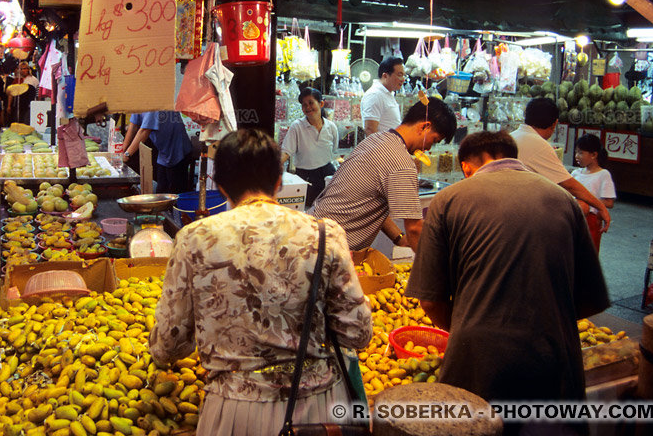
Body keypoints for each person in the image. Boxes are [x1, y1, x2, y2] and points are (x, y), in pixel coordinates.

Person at [149, 129, 372, 436]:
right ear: (279, 181)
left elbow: (167, 345)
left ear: (220, 185)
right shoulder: (324, 234)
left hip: (234, 412)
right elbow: (358, 333)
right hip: (318, 413)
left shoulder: (193, 239)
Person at [406, 131, 609, 414]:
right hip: (553, 360)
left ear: (466, 167)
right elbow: (591, 298)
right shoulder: (564, 200)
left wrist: (471, 325)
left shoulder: (448, 200)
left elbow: (429, 299)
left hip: (478, 361)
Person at [311, 98, 457, 251]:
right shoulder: (401, 162)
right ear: (425, 127)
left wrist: (399, 238)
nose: (428, 148)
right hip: (326, 249)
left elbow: (369, 201)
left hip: (313, 231)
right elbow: (414, 228)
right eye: (433, 140)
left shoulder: (377, 139)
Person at [510, 97, 612, 230]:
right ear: (554, 123)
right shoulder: (538, 144)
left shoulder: (512, 136)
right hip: (518, 211)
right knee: (582, 206)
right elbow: (570, 186)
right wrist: (600, 206)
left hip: (506, 203)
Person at [280, 87, 340, 206]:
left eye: (311, 103)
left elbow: (334, 150)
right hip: (305, 177)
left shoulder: (331, 127)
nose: (307, 107)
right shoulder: (297, 126)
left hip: (327, 174)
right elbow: (286, 152)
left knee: (327, 208)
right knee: (307, 210)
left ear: (321, 103)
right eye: (304, 104)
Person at [123, 111, 193, 193]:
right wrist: (123, 150)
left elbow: (144, 131)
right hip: (163, 153)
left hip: (177, 152)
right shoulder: (140, 103)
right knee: (161, 193)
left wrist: (127, 155)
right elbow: (133, 125)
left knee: (175, 195)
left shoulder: (153, 104)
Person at [571, 133, 616, 253]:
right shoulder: (575, 173)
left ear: (594, 155)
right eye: (576, 152)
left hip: (591, 220)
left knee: (588, 254)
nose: (577, 156)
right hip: (574, 217)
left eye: (581, 153)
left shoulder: (603, 174)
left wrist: (586, 202)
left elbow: (609, 202)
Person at [361, 57, 406, 136]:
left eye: (404, 75)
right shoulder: (375, 95)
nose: (403, 79)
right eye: (400, 75)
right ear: (385, 76)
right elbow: (370, 129)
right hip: (382, 148)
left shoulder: (388, 94)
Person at [7, 60, 39, 125]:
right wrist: (9, 106)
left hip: (29, 106)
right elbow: (11, 94)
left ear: (28, 69)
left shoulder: (34, 80)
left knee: (26, 121)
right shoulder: (16, 80)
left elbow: (38, 94)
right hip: (17, 106)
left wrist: (37, 105)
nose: (22, 70)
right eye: (21, 69)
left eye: (24, 68)